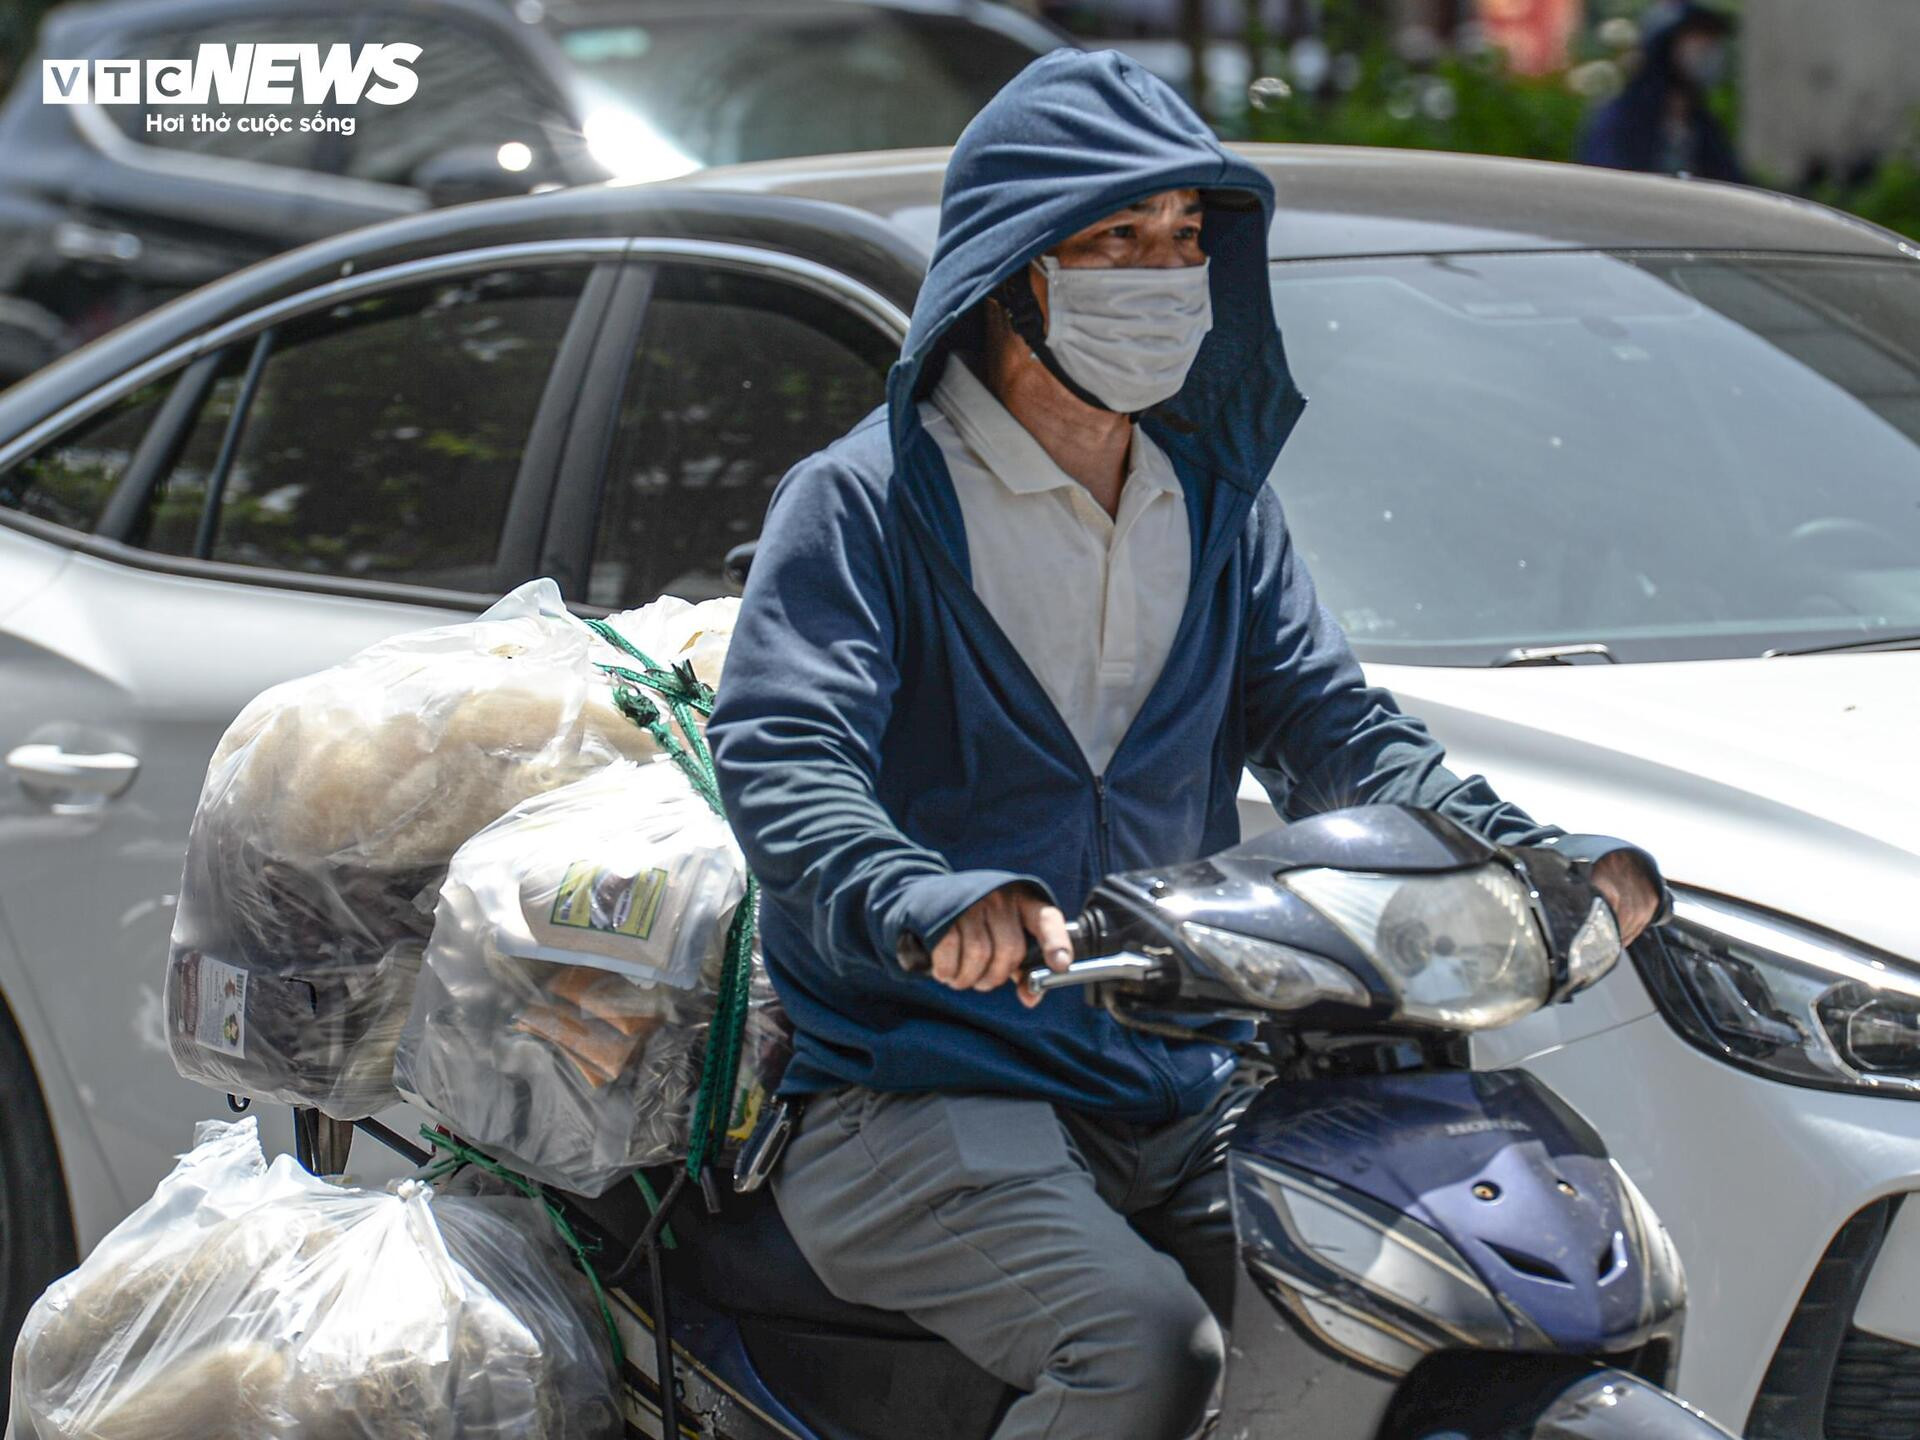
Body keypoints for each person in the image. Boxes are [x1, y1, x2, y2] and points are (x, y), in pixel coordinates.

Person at [708, 49, 1667, 1440]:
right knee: (1144, 1354)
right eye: (1116, 240)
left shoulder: (1208, 505)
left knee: (1407, 1294)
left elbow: (1335, 731)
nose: (1160, 276)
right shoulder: (864, 504)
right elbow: (788, 760)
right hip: (920, 1079)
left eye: (1184, 241)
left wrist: (1533, 855)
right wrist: (934, 900)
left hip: (1179, 1073)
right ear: (1015, 265)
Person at [1577, 0, 1742, 182]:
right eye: (1698, 37)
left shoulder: (1702, 126)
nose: (1708, 49)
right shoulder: (1621, 122)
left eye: (1712, 39)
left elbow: (1733, 183)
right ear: (1664, 45)